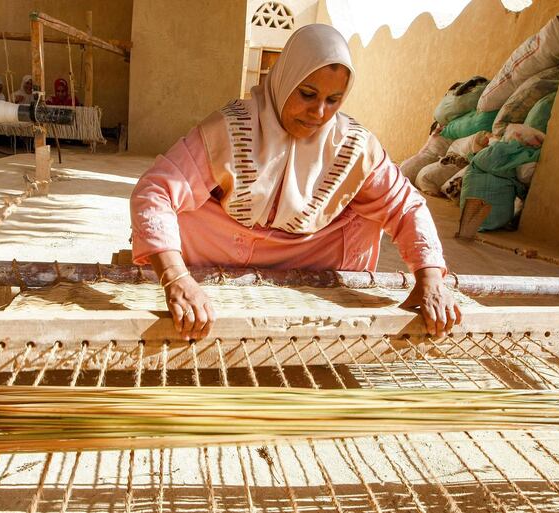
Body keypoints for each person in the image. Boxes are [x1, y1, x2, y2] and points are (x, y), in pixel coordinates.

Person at [130, 24, 461, 341]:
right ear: (284, 79)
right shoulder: (230, 128)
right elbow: (154, 191)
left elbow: (406, 205)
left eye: (333, 100)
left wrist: (430, 275)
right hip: (222, 249)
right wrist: (175, 275)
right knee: (180, 201)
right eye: (307, 93)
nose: (318, 112)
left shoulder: (354, 146)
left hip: (310, 255)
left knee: (367, 211)